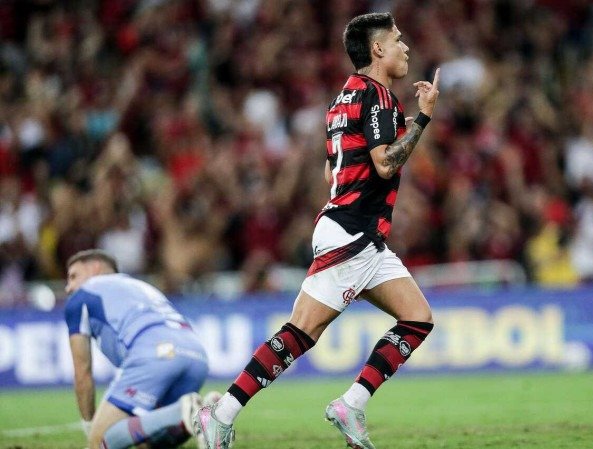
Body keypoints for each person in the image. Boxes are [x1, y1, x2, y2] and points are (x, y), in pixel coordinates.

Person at [194, 12, 440, 449]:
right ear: (377, 48)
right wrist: (422, 119)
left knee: (417, 318)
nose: (405, 47)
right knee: (301, 332)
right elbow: (385, 164)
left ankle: (351, 405)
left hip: (360, 234)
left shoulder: (342, 99)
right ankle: (222, 412)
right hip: (353, 233)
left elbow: (333, 172)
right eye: (397, 40)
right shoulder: (380, 96)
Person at [64, 249, 211, 449]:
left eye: (74, 276)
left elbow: (83, 372)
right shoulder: (141, 286)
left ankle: (185, 412)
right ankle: (206, 414)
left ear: (95, 268)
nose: (68, 288)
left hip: (155, 353)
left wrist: (90, 426)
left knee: (99, 443)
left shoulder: (83, 295)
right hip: (196, 354)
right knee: (145, 439)